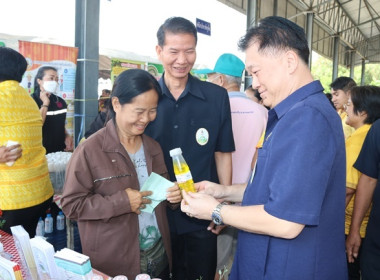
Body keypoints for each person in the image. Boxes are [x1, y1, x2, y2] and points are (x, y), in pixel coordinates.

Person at [180, 16, 348, 280]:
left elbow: (286, 221)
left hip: (291, 268)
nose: (254, 84)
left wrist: (215, 210)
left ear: (290, 62)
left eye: (256, 72)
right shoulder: (291, 114)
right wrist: (223, 191)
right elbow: (276, 190)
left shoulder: (307, 119)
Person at [61, 69, 181, 279]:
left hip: (158, 254)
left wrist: (173, 197)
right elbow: (71, 205)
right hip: (115, 262)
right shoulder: (90, 150)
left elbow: (162, 194)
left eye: (153, 110)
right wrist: (121, 203)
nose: (146, 119)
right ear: (116, 104)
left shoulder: (153, 147)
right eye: (139, 111)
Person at [144, 17, 235, 280]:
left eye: (189, 50)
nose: (182, 60)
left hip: (202, 212)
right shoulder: (145, 97)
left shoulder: (216, 98)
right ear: (159, 51)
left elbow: (222, 152)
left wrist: (223, 204)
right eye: (173, 51)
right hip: (155, 214)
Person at [196, 53, 268, 278]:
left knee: (216, 260)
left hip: (215, 196)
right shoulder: (262, 112)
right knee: (241, 259)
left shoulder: (211, 110)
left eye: (211, 77)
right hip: (251, 200)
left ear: (220, 81)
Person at [0, 47, 53, 237]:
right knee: (23, 250)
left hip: (10, 199)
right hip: (39, 193)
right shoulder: (27, 99)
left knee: (7, 256)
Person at [344, 86, 380, 279]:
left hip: (354, 227)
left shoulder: (361, 138)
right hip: (370, 228)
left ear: (363, 111)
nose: (344, 107)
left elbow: (348, 189)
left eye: (349, 104)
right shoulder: (373, 132)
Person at [31, 66, 73, 154]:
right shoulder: (31, 100)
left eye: (56, 79)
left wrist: (67, 135)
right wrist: (45, 103)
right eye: (51, 78)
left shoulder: (60, 101)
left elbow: (59, 123)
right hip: (40, 151)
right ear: (39, 81)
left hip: (59, 150)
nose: (55, 82)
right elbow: (36, 124)